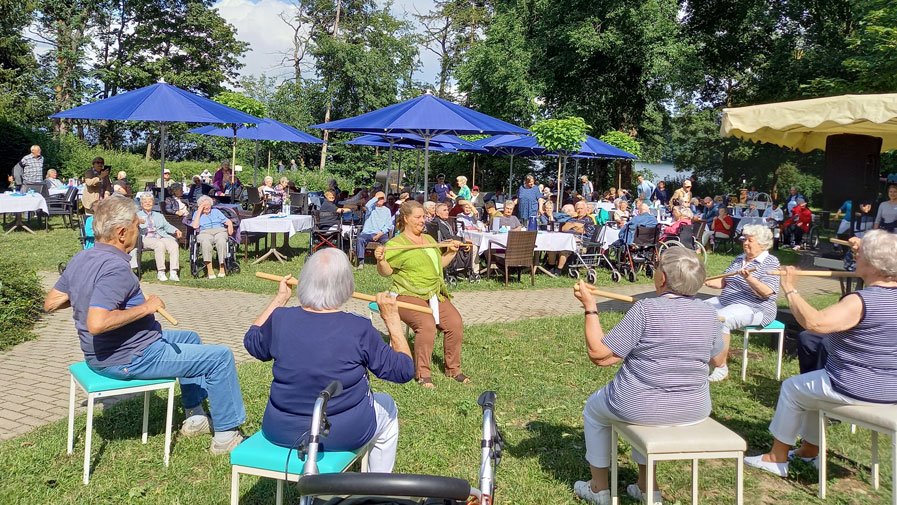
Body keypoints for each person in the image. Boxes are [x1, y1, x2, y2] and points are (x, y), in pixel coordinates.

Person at [43, 195, 245, 454]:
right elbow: (97, 323)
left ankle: (195, 417)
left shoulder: (82, 258)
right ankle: (226, 436)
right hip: (129, 358)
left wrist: (86, 294)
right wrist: (146, 308)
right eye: (137, 227)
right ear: (121, 232)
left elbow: (51, 302)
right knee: (221, 358)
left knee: (190, 338)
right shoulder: (116, 268)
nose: (139, 232)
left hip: (105, 353)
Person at [572, 247, 724, 505]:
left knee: (594, 410)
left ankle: (599, 488)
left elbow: (599, 355)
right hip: (694, 408)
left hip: (639, 404)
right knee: (649, 411)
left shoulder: (646, 310)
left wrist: (590, 307)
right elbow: (718, 359)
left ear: (662, 278)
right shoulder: (709, 313)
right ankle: (646, 486)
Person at [744, 230, 897, 477]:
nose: (855, 260)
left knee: (793, 388)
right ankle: (809, 450)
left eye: (861, 256)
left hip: (854, 386)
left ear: (874, 264)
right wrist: (862, 247)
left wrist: (790, 288)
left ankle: (776, 457)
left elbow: (815, 323)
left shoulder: (861, 301)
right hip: (891, 390)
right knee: (814, 384)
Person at [243, 250, 414, 469]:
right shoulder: (358, 328)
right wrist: (392, 319)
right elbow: (403, 370)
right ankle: (377, 490)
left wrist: (279, 299)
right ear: (346, 286)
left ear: (304, 281)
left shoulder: (280, 319)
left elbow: (252, 341)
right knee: (388, 406)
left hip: (280, 428)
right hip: (342, 433)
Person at [374, 201, 467, 388]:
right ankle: (423, 374)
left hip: (433, 293)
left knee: (455, 323)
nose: (422, 221)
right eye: (418, 217)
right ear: (406, 219)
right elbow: (385, 272)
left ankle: (453, 369)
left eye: (423, 217)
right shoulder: (396, 244)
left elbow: (438, 265)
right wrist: (381, 259)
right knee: (427, 325)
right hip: (407, 294)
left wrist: (450, 252)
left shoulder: (430, 240)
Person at [702, 224, 780, 382]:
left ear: (762, 244)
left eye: (750, 240)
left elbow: (767, 292)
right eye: (745, 239)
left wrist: (749, 278)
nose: (745, 243)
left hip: (755, 306)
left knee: (720, 319)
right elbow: (723, 282)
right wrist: (702, 281)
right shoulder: (739, 259)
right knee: (697, 312)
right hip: (726, 300)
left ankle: (720, 367)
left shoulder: (771, 262)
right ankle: (701, 359)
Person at [137, 194, 182, 281]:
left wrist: (176, 230)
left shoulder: (159, 215)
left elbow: (167, 226)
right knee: (159, 244)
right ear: (141, 204)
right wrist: (137, 222)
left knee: (173, 244)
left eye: (150, 201)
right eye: (145, 202)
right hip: (145, 238)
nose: (147, 203)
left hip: (160, 236)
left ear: (153, 203)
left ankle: (173, 272)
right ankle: (161, 271)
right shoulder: (137, 215)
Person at [191, 195, 234, 279]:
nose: (207, 207)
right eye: (204, 205)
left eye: (208, 204)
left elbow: (227, 221)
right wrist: (200, 210)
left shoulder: (216, 212)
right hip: (204, 232)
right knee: (206, 243)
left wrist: (230, 225)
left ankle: (222, 268)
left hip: (220, 230)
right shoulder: (197, 214)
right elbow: (195, 226)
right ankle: (210, 270)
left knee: (221, 241)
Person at [356, 191, 393, 269]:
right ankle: (361, 262)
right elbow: (367, 205)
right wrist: (376, 197)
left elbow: (389, 225)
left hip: (380, 233)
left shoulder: (387, 211)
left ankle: (384, 261)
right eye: (379, 198)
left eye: (382, 198)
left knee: (387, 242)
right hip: (368, 232)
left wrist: (380, 233)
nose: (380, 200)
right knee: (360, 239)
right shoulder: (371, 208)